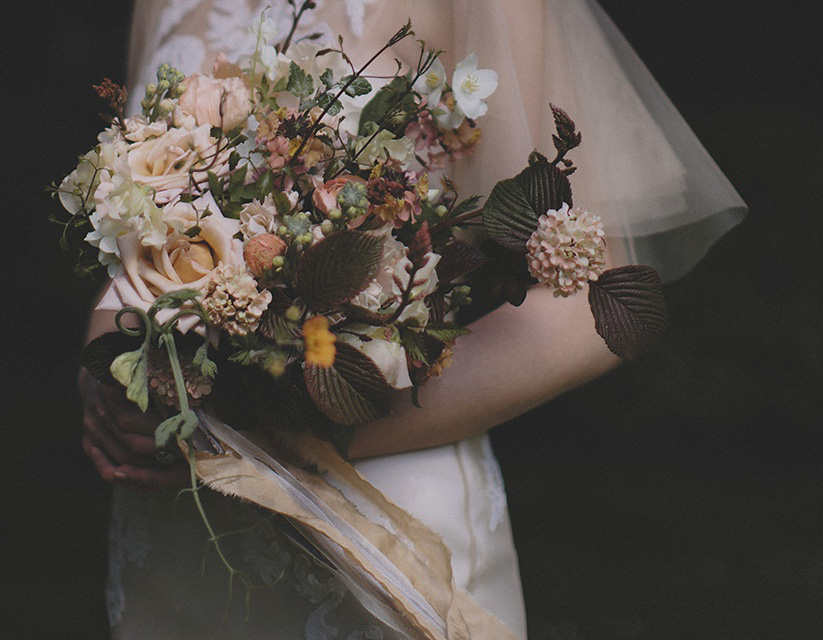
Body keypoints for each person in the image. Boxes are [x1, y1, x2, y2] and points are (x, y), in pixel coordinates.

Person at [80, 1, 746, 637]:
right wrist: (117, 371)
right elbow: (137, 216)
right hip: (180, 533)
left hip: (377, 521)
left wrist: (284, 435)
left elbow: (578, 307)